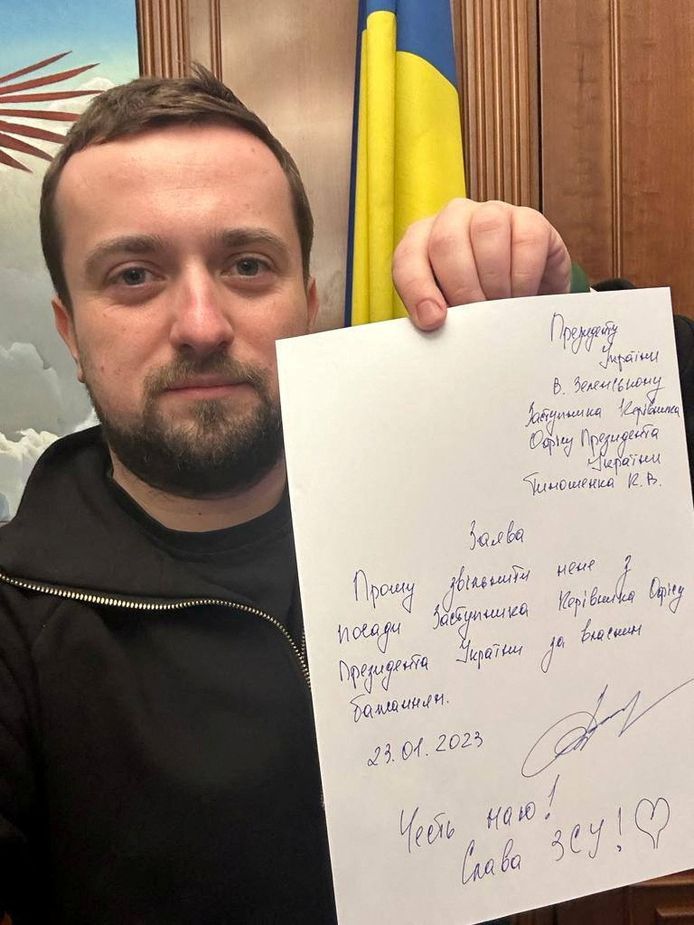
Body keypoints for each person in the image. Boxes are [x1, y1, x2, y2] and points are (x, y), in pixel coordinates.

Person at [0, 65, 577, 924]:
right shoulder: (15, 623)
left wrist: (563, 333)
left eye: (246, 264)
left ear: (307, 304)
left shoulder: (453, 517)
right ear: (69, 332)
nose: (201, 325)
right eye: (133, 276)